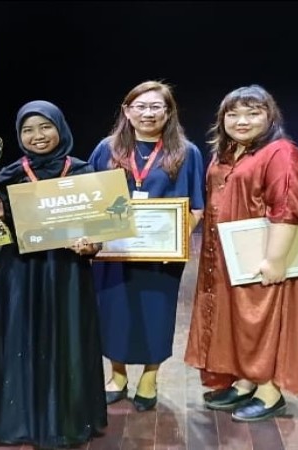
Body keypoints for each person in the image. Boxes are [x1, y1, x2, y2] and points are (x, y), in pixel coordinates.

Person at [184, 84, 298, 422]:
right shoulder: (227, 152)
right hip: (227, 256)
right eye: (233, 114)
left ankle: (270, 393)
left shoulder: (281, 152)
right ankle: (246, 381)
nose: (242, 121)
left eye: (253, 113)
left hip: (263, 254)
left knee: (262, 321)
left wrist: (274, 260)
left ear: (270, 117)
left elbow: (288, 207)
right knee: (239, 320)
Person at [0, 100, 108, 447]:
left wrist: (90, 245)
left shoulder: (83, 171)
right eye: (28, 130)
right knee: (19, 338)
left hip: (67, 272)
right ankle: (19, 420)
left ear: (61, 128)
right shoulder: (7, 174)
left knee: (67, 338)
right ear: (19, 135)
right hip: (20, 271)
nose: (37, 135)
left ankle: (67, 420)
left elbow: (98, 230)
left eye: (45, 126)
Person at [89, 80, 205, 412]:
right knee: (114, 313)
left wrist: (174, 240)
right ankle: (118, 375)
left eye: (156, 106)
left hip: (161, 258)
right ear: (127, 111)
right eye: (140, 106)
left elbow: (197, 207)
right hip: (115, 254)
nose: (148, 113)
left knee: (156, 314)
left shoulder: (186, 152)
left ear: (169, 112)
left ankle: (150, 378)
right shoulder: (106, 149)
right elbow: (89, 198)